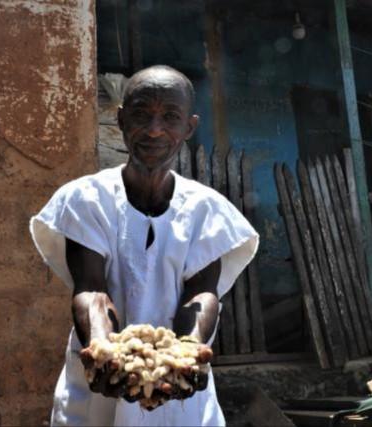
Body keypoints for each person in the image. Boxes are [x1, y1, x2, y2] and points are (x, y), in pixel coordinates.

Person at [30, 65, 259, 426]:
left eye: (170, 117)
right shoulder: (86, 200)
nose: (154, 130)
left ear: (189, 127)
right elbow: (91, 289)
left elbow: (201, 294)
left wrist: (187, 353)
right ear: (121, 119)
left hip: (179, 403)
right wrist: (104, 352)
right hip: (97, 396)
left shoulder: (207, 210)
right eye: (141, 114)